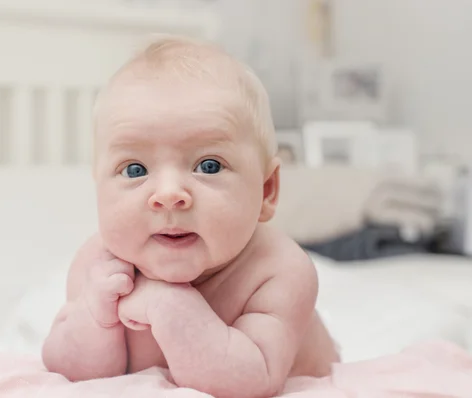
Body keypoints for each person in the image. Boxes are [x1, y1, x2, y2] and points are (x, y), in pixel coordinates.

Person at [42, 35, 339, 398]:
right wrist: (94, 318)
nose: (168, 195)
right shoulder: (99, 265)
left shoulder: (277, 270)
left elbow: (252, 381)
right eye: (135, 170)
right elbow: (68, 372)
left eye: (208, 165)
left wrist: (171, 306)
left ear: (266, 191)